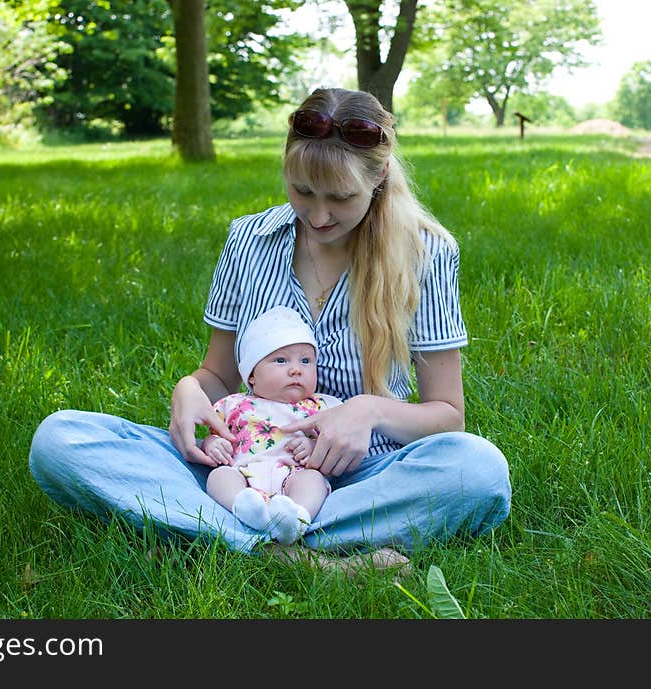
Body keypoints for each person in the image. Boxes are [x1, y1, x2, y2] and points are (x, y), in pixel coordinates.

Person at [29, 86, 512, 571]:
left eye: (341, 198)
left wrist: (366, 412)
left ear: (380, 176)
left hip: (363, 475)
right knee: (60, 439)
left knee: (477, 469)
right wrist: (190, 389)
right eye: (302, 191)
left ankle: (217, 538)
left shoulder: (426, 254)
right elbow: (218, 376)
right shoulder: (248, 240)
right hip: (241, 469)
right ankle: (299, 555)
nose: (319, 216)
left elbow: (448, 416)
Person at [202, 305, 341, 546]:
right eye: (280, 360)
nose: (296, 369)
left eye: (306, 361)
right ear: (252, 375)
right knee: (218, 477)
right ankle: (244, 508)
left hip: (293, 475)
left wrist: (313, 446)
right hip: (243, 474)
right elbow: (214, 434)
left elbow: (336, 443)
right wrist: (212, 443)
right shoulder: (233, 404)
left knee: (313, 482)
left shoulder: (321, 407)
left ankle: (295, 518)